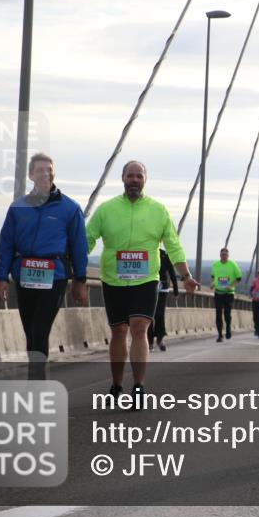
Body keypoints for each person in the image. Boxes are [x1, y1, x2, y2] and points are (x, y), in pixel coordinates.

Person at [86, 161, 199, 400]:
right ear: (123, 178)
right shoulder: (106, 210)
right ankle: (116, 385)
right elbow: (87, 239)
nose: (134, 180)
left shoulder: (158, 211)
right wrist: (73, 268)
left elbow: (173, 246)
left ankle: (138, 386)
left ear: (145, 180)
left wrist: (186, 276)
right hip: (113, 280)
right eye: (130, 176)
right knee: (118, 332)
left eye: (139, 176)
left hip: (146, 280)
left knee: (139, 328)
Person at [0, 153, 89, 379]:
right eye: (40, 170)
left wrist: (81, 280)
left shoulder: (70, 208)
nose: (45, 173)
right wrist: (1, 277)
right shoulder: (17, 207)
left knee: (40, 328)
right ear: (30, 175)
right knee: (30, 330)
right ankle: (36, 375)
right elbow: (7, 243)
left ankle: (36, 381)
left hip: (54, 275)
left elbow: (79, 245)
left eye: (49, 169)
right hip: (24, 274)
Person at [149, 249, 178, 351]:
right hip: (148, 286)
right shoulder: (145, 250)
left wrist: (176, 289)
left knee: (159, 314)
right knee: (149, 315)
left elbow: (171, 271)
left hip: (163, 287)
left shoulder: (164, 254)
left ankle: (160, 339)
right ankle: (150, 341)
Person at [211, 247, 242, 342]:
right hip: (218, 292)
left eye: (225, 255)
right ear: (220, 255)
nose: (224, 256)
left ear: (228, 256)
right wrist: (212, 283)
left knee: (227, 314)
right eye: (222, 254)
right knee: (218, 314)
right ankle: (220, 335)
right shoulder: (215, 264)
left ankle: (228, 328)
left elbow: (239, 277)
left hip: (229, 293)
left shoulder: (233, 264)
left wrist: (232, 286)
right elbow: (213, 276)